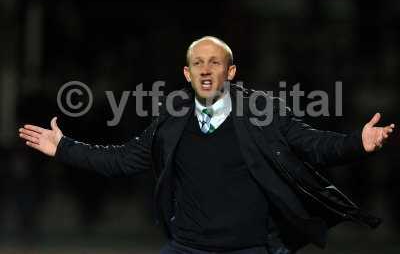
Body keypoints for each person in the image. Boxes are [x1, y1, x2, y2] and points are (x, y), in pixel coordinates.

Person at [18, 36, 395, 254]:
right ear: (187, 73)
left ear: (230, 72)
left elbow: (311, 144)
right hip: (189, 249)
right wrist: (63, 147)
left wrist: (357, 143)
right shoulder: (171, 119)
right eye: (197, 63)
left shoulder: (262, 113)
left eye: (214, 62)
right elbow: (122, 159)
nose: (205, 69)